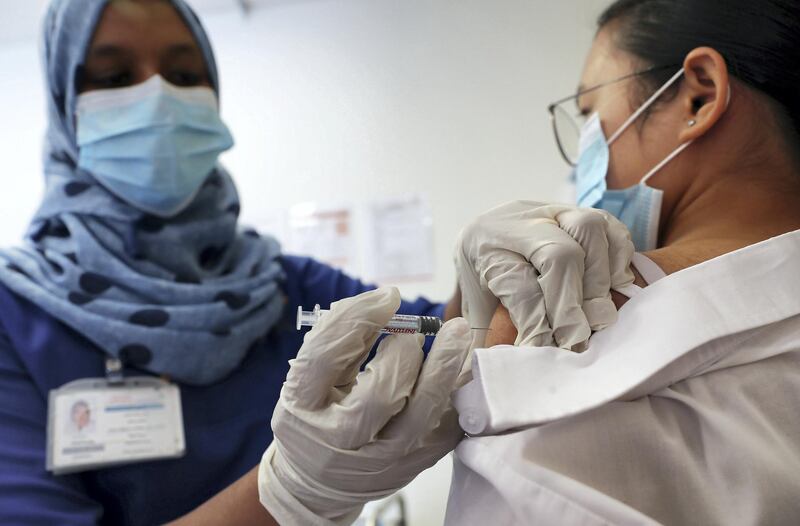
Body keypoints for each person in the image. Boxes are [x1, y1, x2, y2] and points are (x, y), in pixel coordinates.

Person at [0, 0, 623, 524]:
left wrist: (477, 274)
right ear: (61, 103)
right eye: (112, 79)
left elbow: (441, 339)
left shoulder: (281, 288)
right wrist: (288, 493)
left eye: (184, 73)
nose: (157, 95)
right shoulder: (15, 314)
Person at [254, 0, 800, 524]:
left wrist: (297, 495)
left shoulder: (552, 345)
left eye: (589, 113)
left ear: (698, 97)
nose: (586, 156)